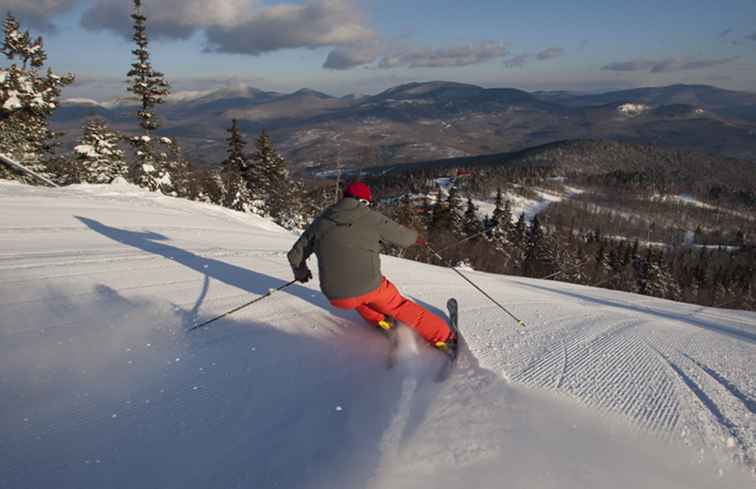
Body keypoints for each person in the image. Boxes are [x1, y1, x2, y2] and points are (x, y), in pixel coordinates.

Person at [287, 182, 456, 351]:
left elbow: (294, 254)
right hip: (370, 287)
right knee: (397, 305)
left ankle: (382, 322)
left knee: (357, 297)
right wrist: (417, 238)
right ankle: (445, 338)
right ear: (363, 201)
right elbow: (404, 238)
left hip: (336, 297)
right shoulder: (370, 217)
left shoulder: (321, 221)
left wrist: (301, 272)